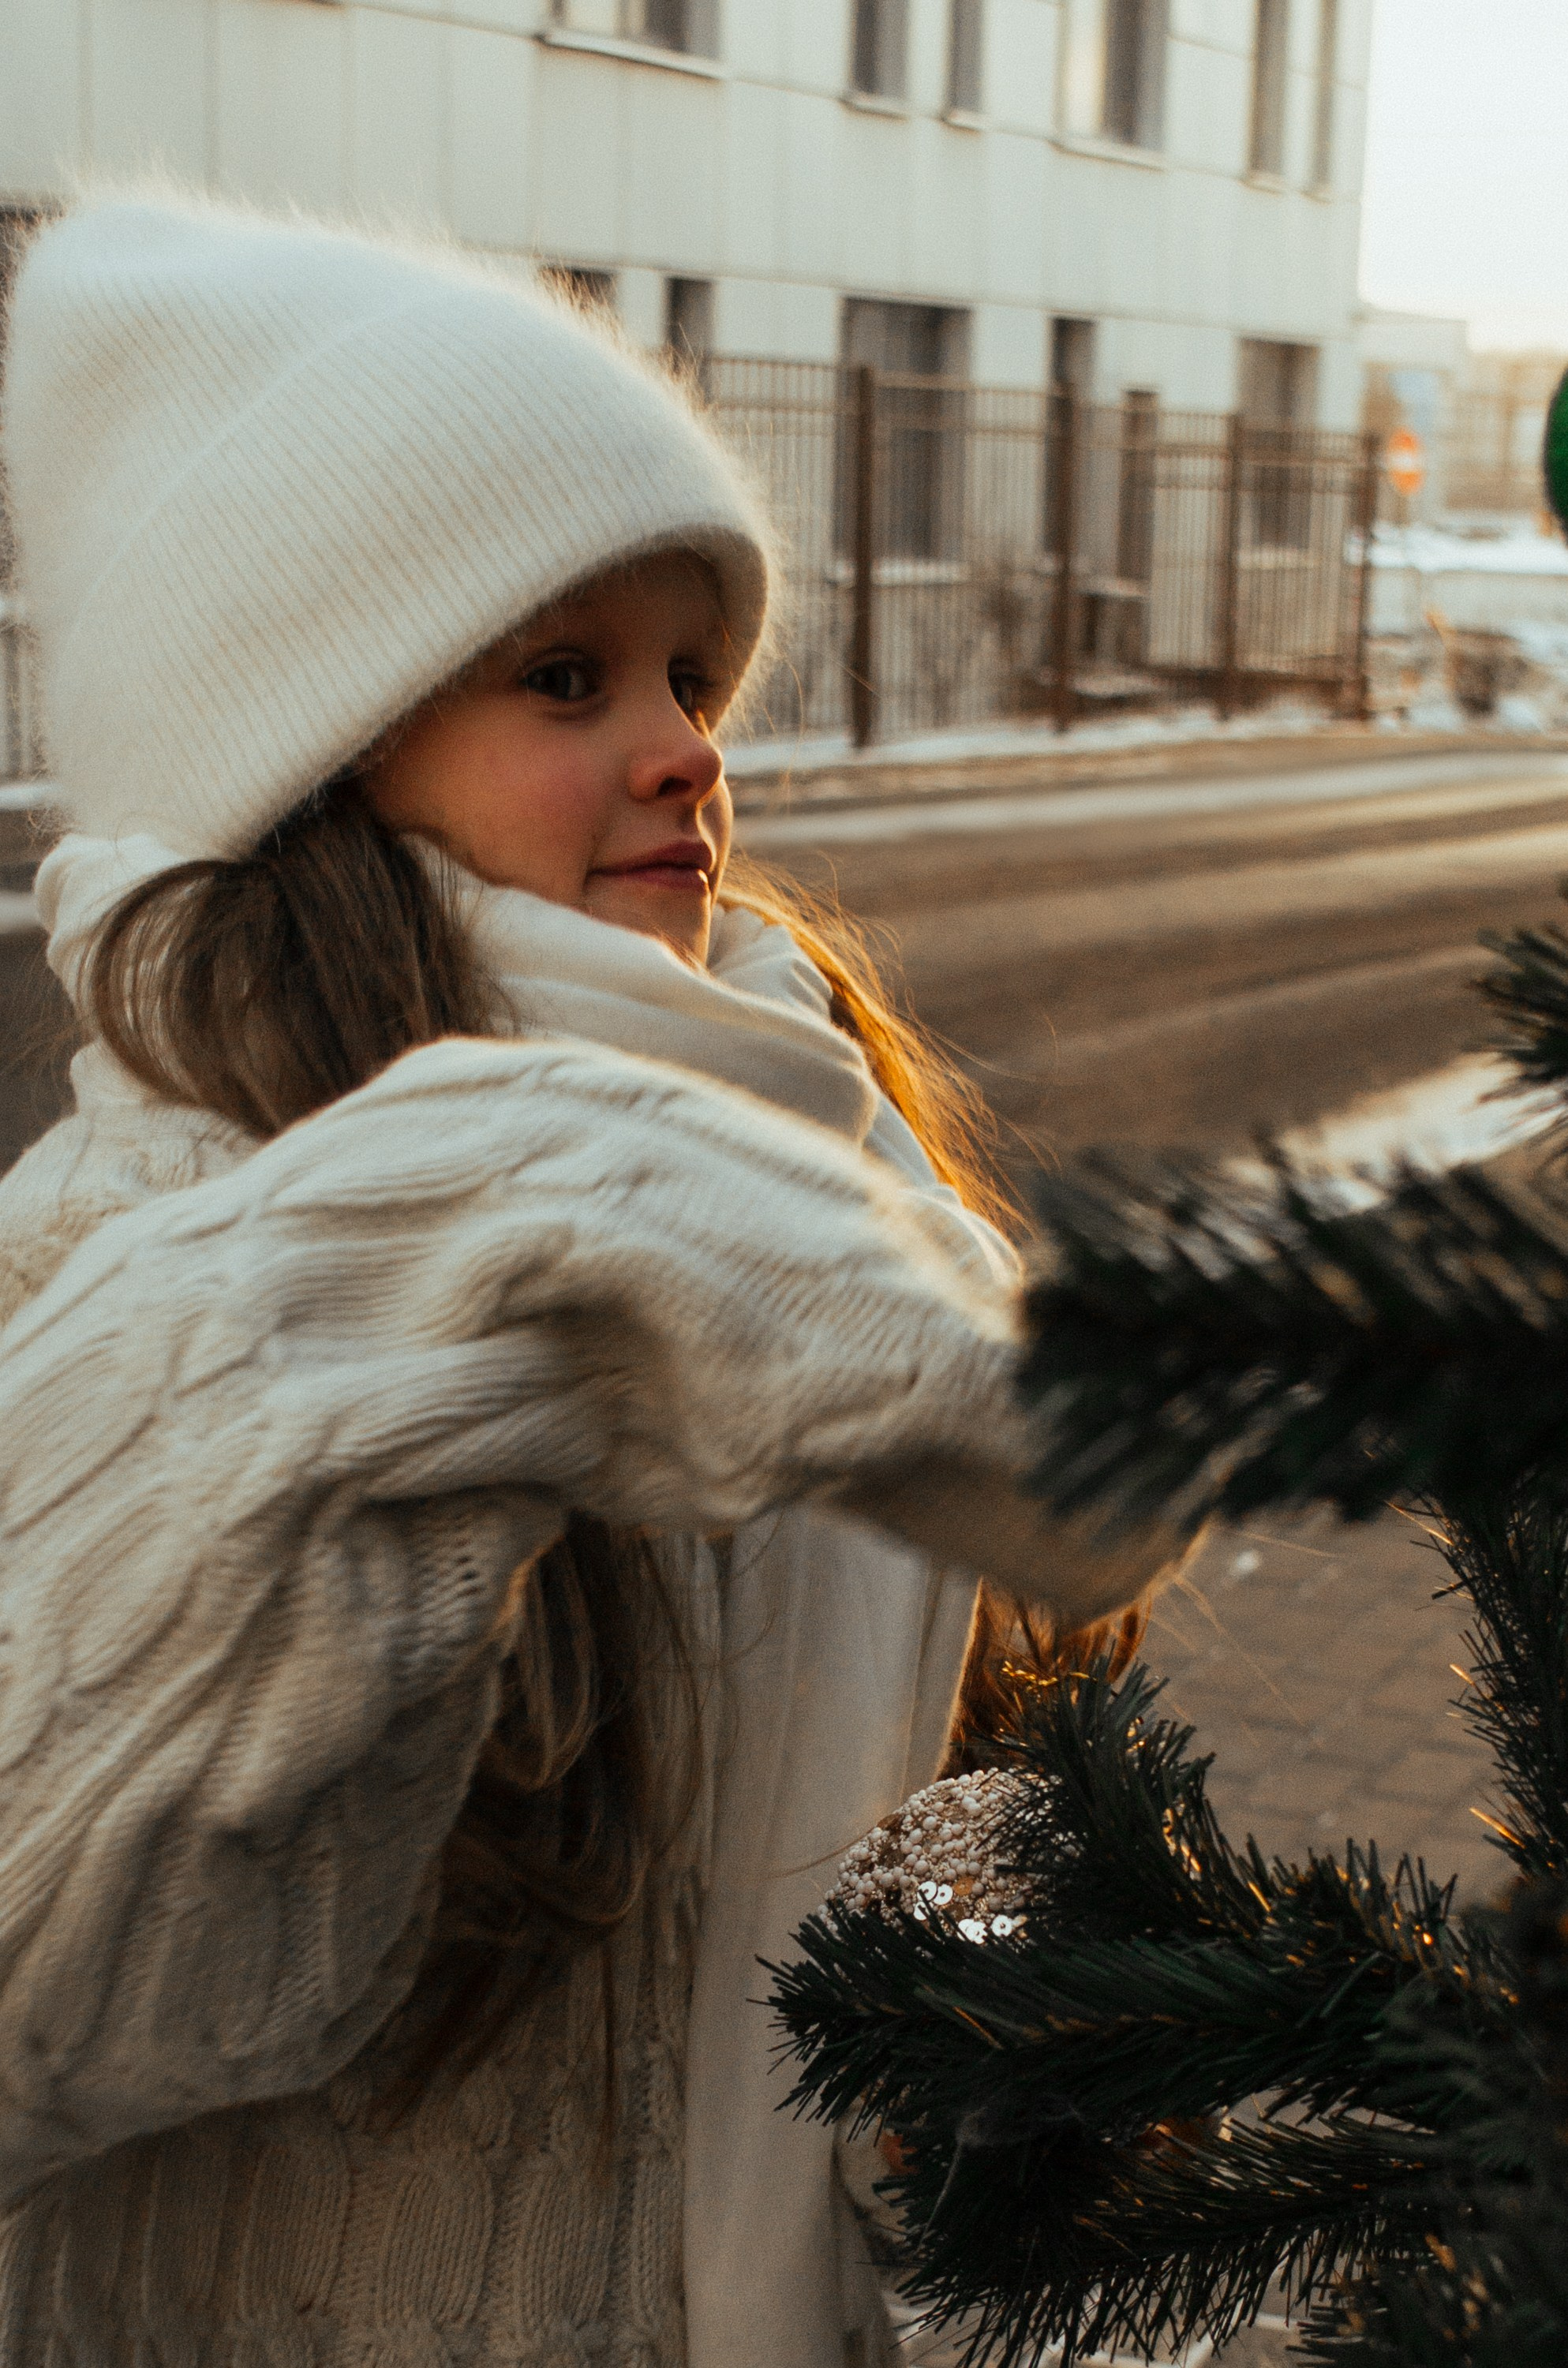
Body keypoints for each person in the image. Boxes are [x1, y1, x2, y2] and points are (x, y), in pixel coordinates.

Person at [0, 192, 1173, 2368]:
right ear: (311, 759)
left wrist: (997, 1998)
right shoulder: (128, 1247)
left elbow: (955, 1756)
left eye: (687, 675)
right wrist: (416, 1261)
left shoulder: (805, 1145)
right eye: (565, 677)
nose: (690, 749)